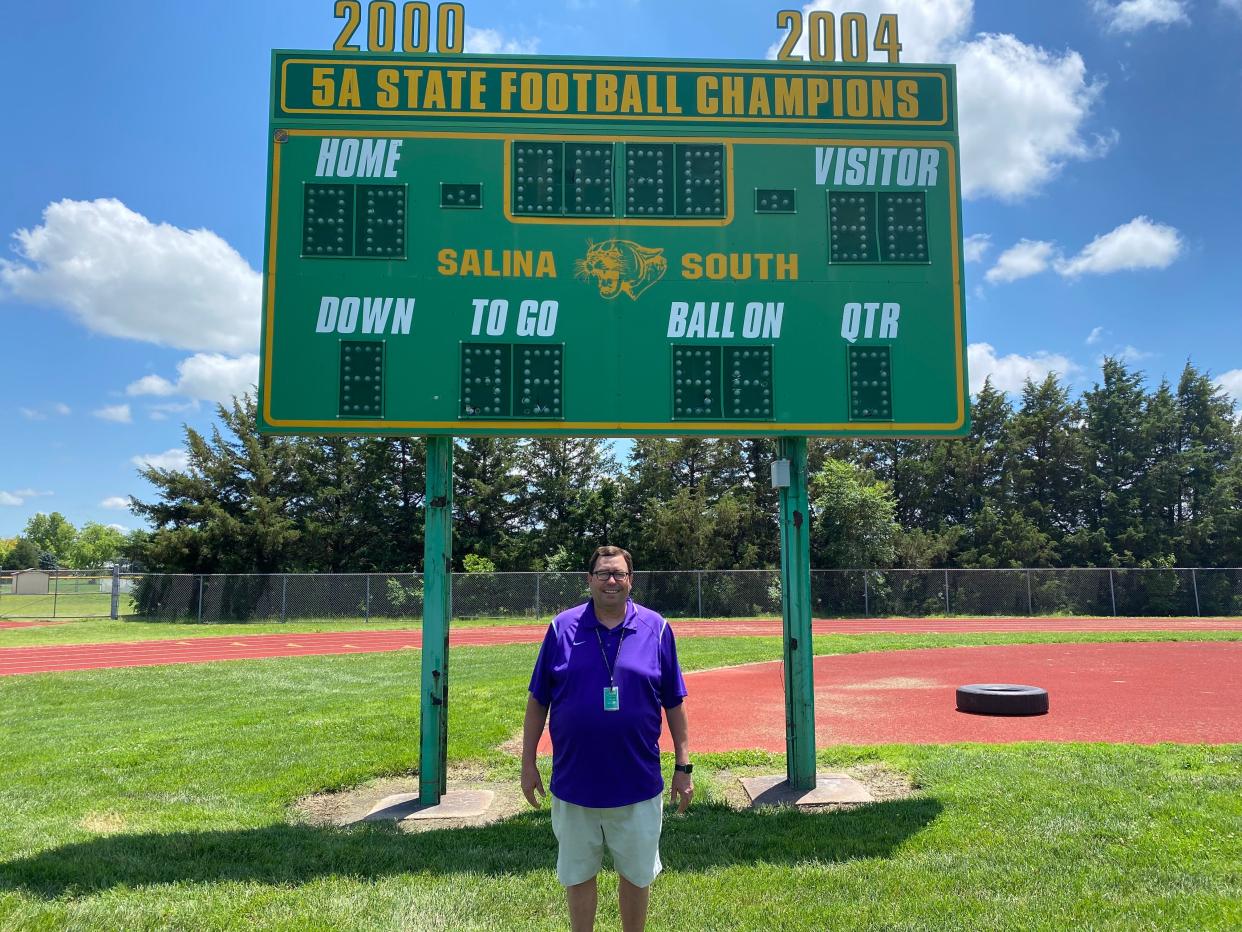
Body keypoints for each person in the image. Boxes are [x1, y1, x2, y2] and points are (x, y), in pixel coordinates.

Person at [522, 545, 692, 932]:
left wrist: (684, 765)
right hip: (574, 784)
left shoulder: (658, 628)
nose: (611, 581)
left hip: (637, 783)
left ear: (631, 579)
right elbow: (538, 700)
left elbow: (674, 702)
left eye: (618, 574)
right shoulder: (561, 628)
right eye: (603, 574)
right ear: (589, 580)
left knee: (636, 875)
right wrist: (528, 762)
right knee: (578, 874)